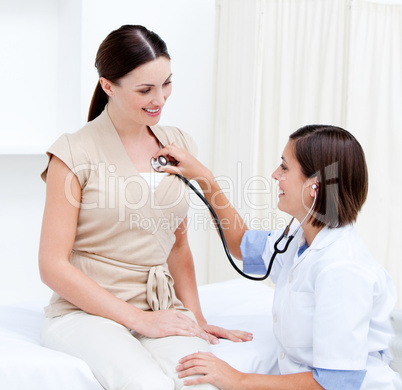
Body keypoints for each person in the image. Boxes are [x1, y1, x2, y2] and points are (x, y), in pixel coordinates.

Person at [38, 25, 252, 390]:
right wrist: (140, 320)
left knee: (202, 381)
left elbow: (178, 245)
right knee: (144, 383)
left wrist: (195, 317)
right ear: (108, 86)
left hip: (162, 307)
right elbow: (52, 266)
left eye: (166, 84)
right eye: (145, 90)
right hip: (85, 313)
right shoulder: (73, 154)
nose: (160, 99)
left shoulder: (178, 144)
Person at [153, 125, 402, 390]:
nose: (274, 175)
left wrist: (237, 379)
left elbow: (337, 382)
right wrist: (206, 180)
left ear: (314, 186)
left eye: (284, 167)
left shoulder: (342, 269)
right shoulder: (302, 237)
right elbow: (241, 245)